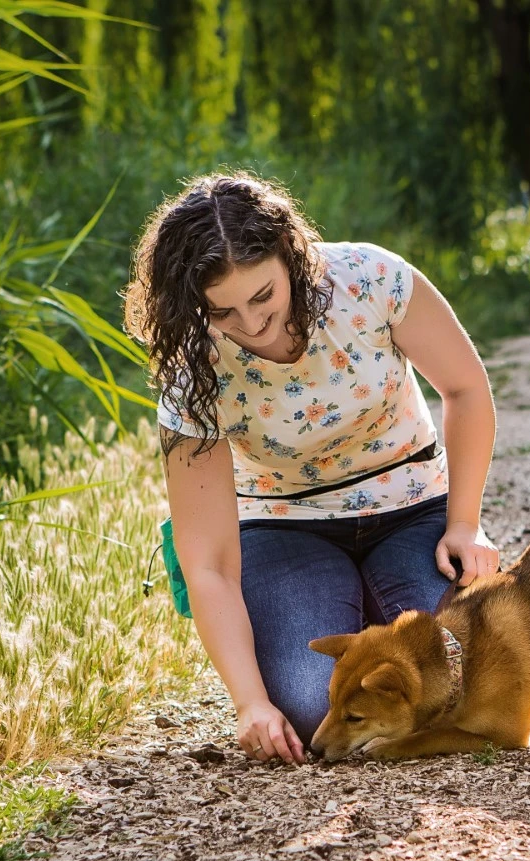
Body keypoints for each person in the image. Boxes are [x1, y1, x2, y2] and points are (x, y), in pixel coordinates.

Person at [123, 172, 499, 765]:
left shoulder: (371, 279)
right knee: (306, 707)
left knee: (461, 679)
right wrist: (249, 703)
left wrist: (465, 524)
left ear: (291, 256)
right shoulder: (191, 365)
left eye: (263, 296)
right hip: (283, 527)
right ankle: (362, 621)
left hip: (412, 509)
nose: (250, 325)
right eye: (223, 311)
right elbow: (209, 563)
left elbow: (465, 389)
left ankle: (377, 618)